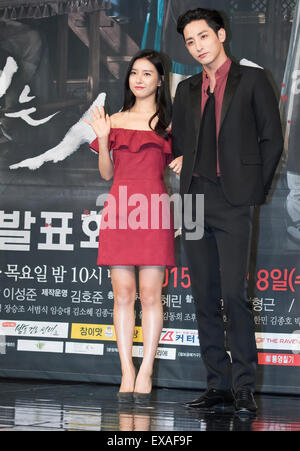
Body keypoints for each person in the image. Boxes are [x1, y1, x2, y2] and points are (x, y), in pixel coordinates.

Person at [172, 8, 283, 414]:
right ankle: (216, 384)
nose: (198, 46)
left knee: (234, 295)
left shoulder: (252, 80)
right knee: (203, 295)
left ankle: (243, 389)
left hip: (233, 200)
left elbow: (272, 138)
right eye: (190, 41)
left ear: (221, 34)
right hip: (193, 200)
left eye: (203, 36)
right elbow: (180, 141)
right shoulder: (185, 89)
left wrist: (253, 190)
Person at [85, 49, 182, 403]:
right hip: (120, 210)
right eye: (134, 73)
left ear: (160, 80)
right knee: (123, 296)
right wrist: (103, 139)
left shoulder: (171, 123)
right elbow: (107, 174)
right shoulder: (114, 120)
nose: (138, 80)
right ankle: (126, 370)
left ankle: (147, 370)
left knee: (151, 296)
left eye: (146, 74)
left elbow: (183, 163)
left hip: (154, 212)